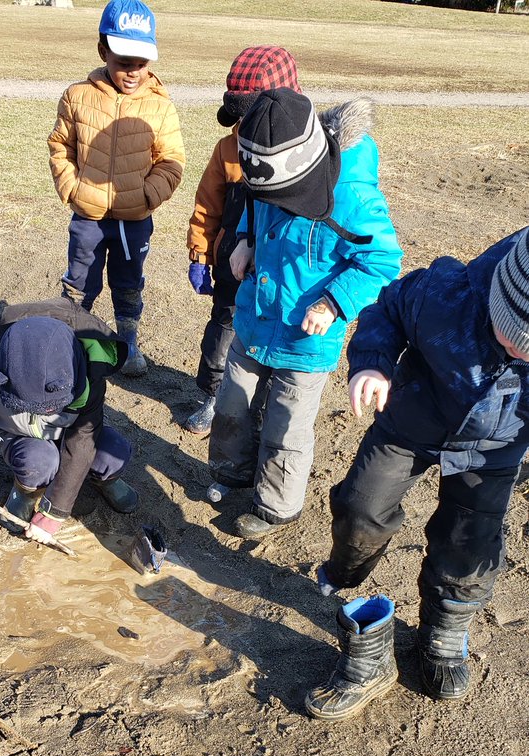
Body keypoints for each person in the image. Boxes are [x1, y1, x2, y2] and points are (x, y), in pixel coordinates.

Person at [306, 227, 529, 720]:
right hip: (411, 418)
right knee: (360, 506)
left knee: (471, 540)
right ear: (499, 299)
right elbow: (386, 309)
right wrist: (372, 365)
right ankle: (347, 567)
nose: (517, 355)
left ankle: (446, 626)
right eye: (511, 341)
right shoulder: (444, 294)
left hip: (494, 447)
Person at [207, 88, 402, 540]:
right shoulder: (262, 163)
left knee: (287, 423)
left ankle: (277, 504)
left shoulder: (351, 194)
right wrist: (245, 241)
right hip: (256, 314)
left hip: (307, 336)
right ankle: (231, 470)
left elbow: (382, 261)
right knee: (232, 400)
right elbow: (253, 205)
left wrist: (334, 303)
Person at [48, 0, 185, 379]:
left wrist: (146, 196)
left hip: (134, 219)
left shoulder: (160, 106)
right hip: (88, 214)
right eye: (123, 60)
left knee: (128, 282)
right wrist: (73, 189)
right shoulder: (77, 96)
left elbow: (172, 160)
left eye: (140, 62)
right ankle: (68, 341)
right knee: (80, 281)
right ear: (103, 51)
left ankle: (128, 342)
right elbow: (61, 146)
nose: (132, 71)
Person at [0, 299, 138, 545]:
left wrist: (54, 512)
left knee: (113, 453)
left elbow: (81, 442)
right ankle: (27, 492)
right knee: (39, 461)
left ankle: (105, 480)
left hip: (69, 433)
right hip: (20, 437)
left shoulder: (91, 375)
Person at [184, 46, 301, 436]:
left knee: (274, 332)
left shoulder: (303, 152)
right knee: (224, 326)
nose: (245, 124)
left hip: (281, 270)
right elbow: (207, 204)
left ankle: (264, 399)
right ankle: (214, 394)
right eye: (240, 116)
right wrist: (201, 251)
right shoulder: (227, 151)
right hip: (232, 268)